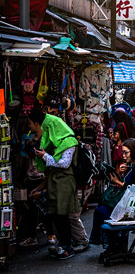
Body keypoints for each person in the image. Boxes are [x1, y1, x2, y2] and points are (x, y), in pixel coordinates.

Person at [28, 109, 79, 260]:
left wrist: (46, 156)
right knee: (56, 215)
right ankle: (63, 245)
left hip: (63, 183)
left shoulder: (68, 141)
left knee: (62, 215)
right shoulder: (53, 142)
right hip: (54, 182)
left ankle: (68, 247)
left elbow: (64, 164)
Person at [90, 139, 135, 246]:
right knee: (100, 208)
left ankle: (113, 243)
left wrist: (117, 181)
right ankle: (110, 243)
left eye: (126, 152)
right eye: (123, 152)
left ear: (134, 152)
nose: (123, 155)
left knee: (102, 211)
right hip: (128, 202)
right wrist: (119, 174)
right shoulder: (132, 166)